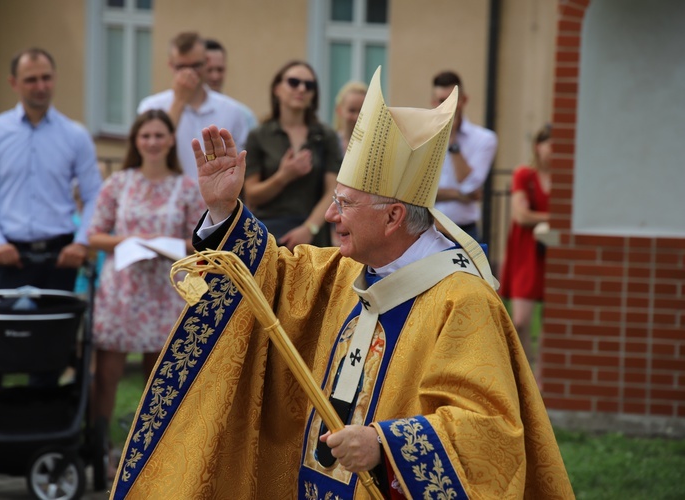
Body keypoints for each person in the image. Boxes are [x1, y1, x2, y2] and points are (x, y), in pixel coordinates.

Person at [110, 67, 572, 499]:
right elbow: (268, 274)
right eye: (333, 200)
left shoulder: (462, 301)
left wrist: (384, 444)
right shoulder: (344, 270)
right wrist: (224, 211)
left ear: (393, 217)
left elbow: (489, 431)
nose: (330, 215)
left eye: (345, 204)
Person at [87, 109, 205, 474]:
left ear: (170, 140)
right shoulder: (119, 183)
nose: (153, 142)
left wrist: (165, 243)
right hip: (122, 291)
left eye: (159, 135)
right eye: (146, 135)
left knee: (159, 378)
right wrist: (132, 239)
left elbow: (200, 240)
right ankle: (99, 447)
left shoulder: (185, 187)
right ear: (136, 141)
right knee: (106, 374)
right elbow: (94, 235)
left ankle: (150, 453)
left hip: (165, 291)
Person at [0, 47, 102, 293]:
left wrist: (82, 242)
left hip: (60, 257)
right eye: (31, 79)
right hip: (7, 254)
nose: (40, 86)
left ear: (54, 78)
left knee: (57, 329)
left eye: (46, 77)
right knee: (4, 330)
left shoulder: (75, 135)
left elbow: (94, 194)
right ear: (13, 83)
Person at [242, 60, 342, 249]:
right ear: (277, 88)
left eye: (309, 85)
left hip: (313, 238)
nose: (302, 88)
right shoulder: (259, 135)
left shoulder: (325, 136)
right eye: (294, 82)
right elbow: (252, 196)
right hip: (268, 236)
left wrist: (309, 228)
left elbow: (334, 190)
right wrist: (283, 176)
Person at [138, 32, 250, 192]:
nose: (189, 73)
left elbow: (241, 165)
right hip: (168, 201)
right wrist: (179, 101)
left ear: (207, 62)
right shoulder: (151, 106)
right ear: (170, 65)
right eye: (182, 67)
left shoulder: (232, 110)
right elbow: (151, 152)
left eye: (196, 66)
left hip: (216, 205)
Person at [500, 124, 552, 376]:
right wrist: (553, 217)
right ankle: (525, 375)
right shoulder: (524, 174)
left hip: (554, 250)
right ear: (538, 146)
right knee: (520, 320)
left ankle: (542, 376)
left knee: (549, 323)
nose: (553, 150)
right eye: (549, 144)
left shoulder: (567, 178)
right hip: (526, 252)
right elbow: (521, 215)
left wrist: (541, 218)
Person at [432, 70, 498, 241]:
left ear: (464, 100)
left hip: (465, 230)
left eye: (452, 101)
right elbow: (416, 190)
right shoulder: (424, 137)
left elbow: (469, 187)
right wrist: (458, 195)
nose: (447, 106)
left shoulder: (484, 139)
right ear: (434, 102)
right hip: (428, 230)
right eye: (441, 101)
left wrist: (452, 141)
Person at [204, 38, 258, 130]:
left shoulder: (243, 115)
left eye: (220, 70)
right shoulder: (182, 112)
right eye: (209, 70)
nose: (215, 76)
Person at [334, 80, 367, 152]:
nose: (357, 117)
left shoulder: (373, 147)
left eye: (362, 111)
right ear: (339, 110)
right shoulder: (329, 145)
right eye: (352, 110)